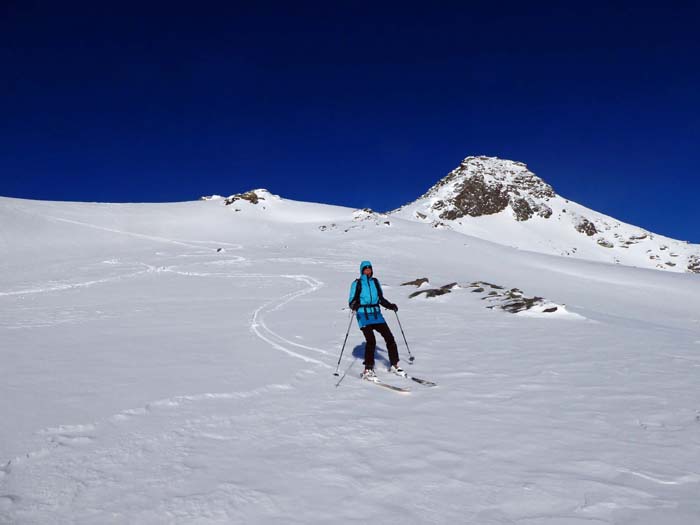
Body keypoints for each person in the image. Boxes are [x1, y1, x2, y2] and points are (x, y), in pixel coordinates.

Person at [348, 260, 406, 380]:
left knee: (389, 338)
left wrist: (390, 306)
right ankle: (368, 369)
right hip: (363, 316)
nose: (368, 270)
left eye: (369, 268)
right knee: (371, 341)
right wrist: (354, 305)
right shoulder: (357, 284)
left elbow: (380, 299)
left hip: (376, 315)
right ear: (362, 270)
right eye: (365, 268)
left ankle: (394, 365)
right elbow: (351, 300)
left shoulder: (375, 282)